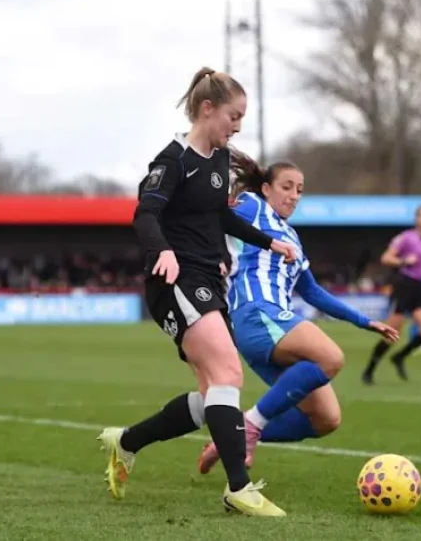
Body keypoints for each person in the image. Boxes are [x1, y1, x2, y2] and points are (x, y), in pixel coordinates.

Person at [97, 67, 296, 517]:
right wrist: (162, 250)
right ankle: (239, 488)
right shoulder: (173, 160)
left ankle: (126, 442)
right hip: (175, 280)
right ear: (208, 109)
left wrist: (269, 240)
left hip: (208, 280)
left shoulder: (220, 162)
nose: (238, 126)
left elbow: (220, 219)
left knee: (213, 396)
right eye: (234, 115)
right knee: (229, 374)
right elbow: (145, 214)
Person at [196, 154, 398, 474]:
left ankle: (232, 438)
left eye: (300, 190)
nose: (293, 195)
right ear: (266, 188)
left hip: (271, 326)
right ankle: (250, 425)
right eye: (286, 187)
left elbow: (313, 292)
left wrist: (364, 320)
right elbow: (210, 213)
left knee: (325, 418)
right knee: (330, 358)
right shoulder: (252, 205)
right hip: (257, 313)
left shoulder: (292, 238)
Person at [361, 205, 421, 384]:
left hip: (420, 287)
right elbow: (386, 258)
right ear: (417, 219)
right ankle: (369, 369)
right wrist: (403, 261)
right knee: (391, 333)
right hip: (404, 285)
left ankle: (400, 357)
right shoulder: (406, 238)